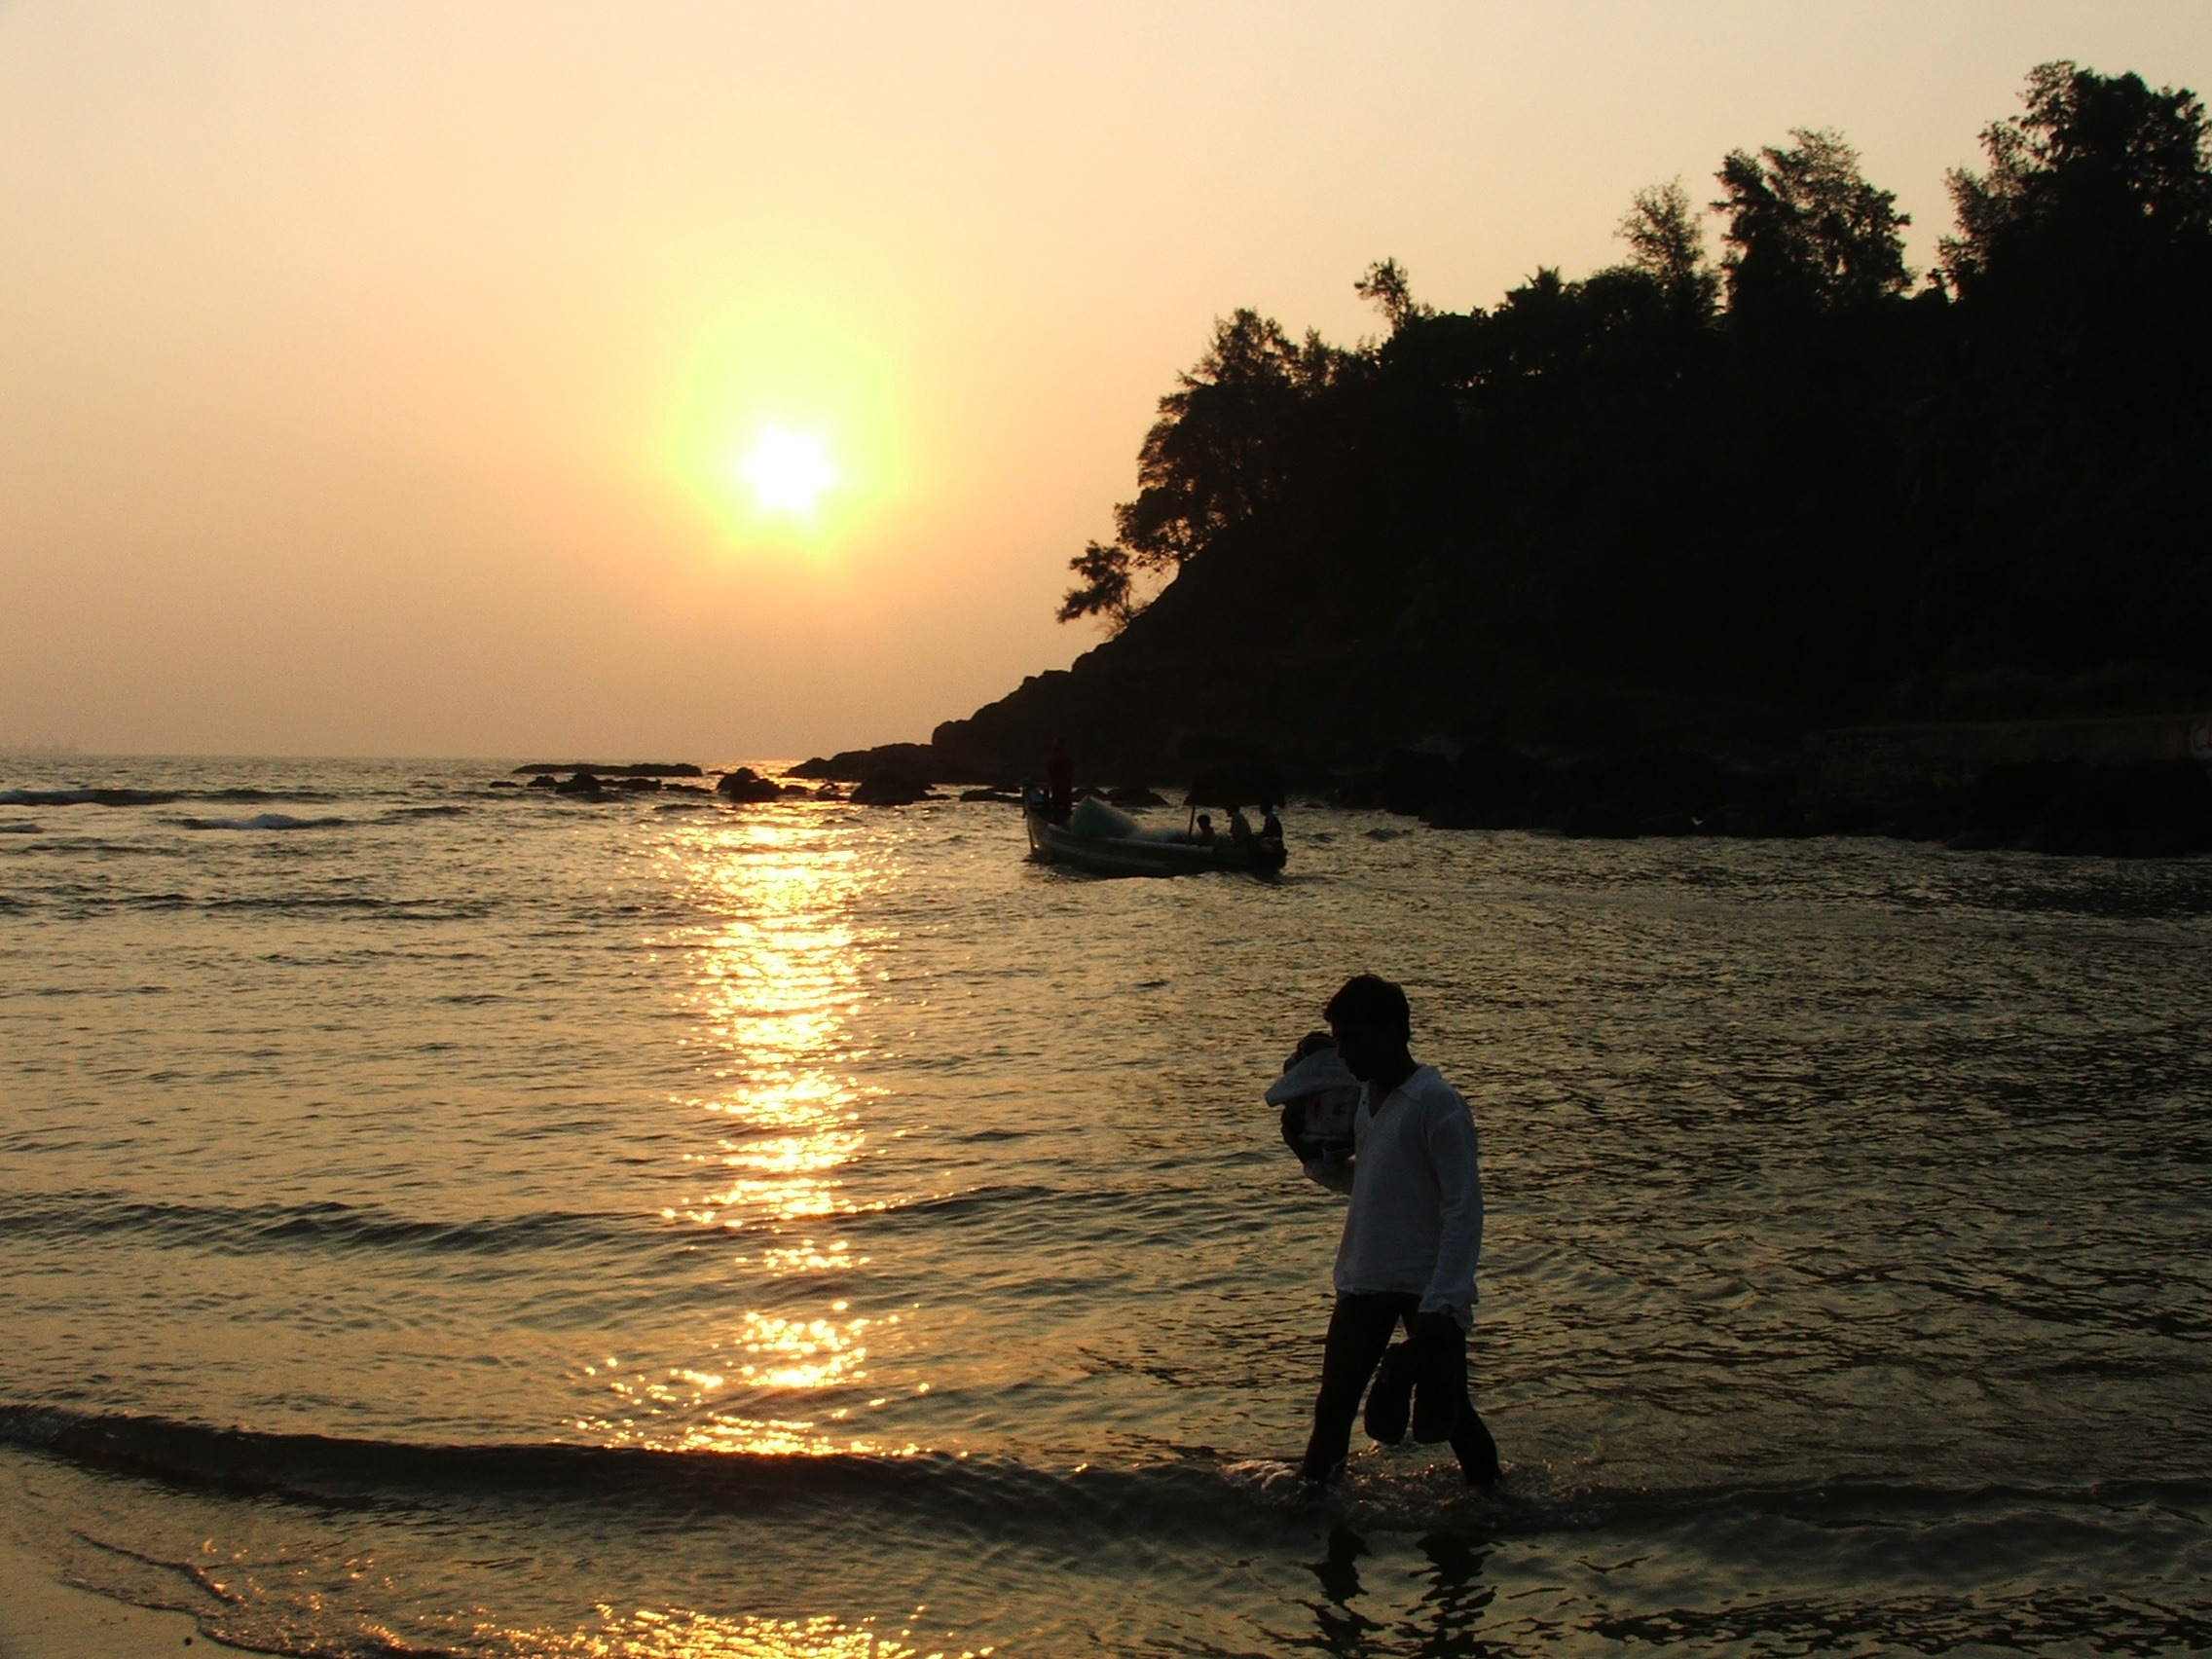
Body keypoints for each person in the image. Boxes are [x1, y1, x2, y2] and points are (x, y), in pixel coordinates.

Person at [1293, 974, 1500, 1491]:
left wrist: (1444, 1301)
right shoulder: (1366, 1099)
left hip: (1426, 1284)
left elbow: (1463, 1207)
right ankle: (1314, 1507)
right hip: (1366, 1276)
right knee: (1334, 1407)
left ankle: (1492, 1502)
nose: (1342, 1053)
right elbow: (1376, 1185)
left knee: (1452, 1416)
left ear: (1390, 1034)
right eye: (1337, 1040)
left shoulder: (1437, 1103)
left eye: (1351, 1039)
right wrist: (1314, 1162)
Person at [1047, 738, 1074, 824]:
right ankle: (1065, 821)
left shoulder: (1056, 757)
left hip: (1058, 785)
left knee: (1058, 805)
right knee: (1066, 806)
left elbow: (1050, 769)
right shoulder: (1066, 757)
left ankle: (1058, 821)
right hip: (1065, 785)